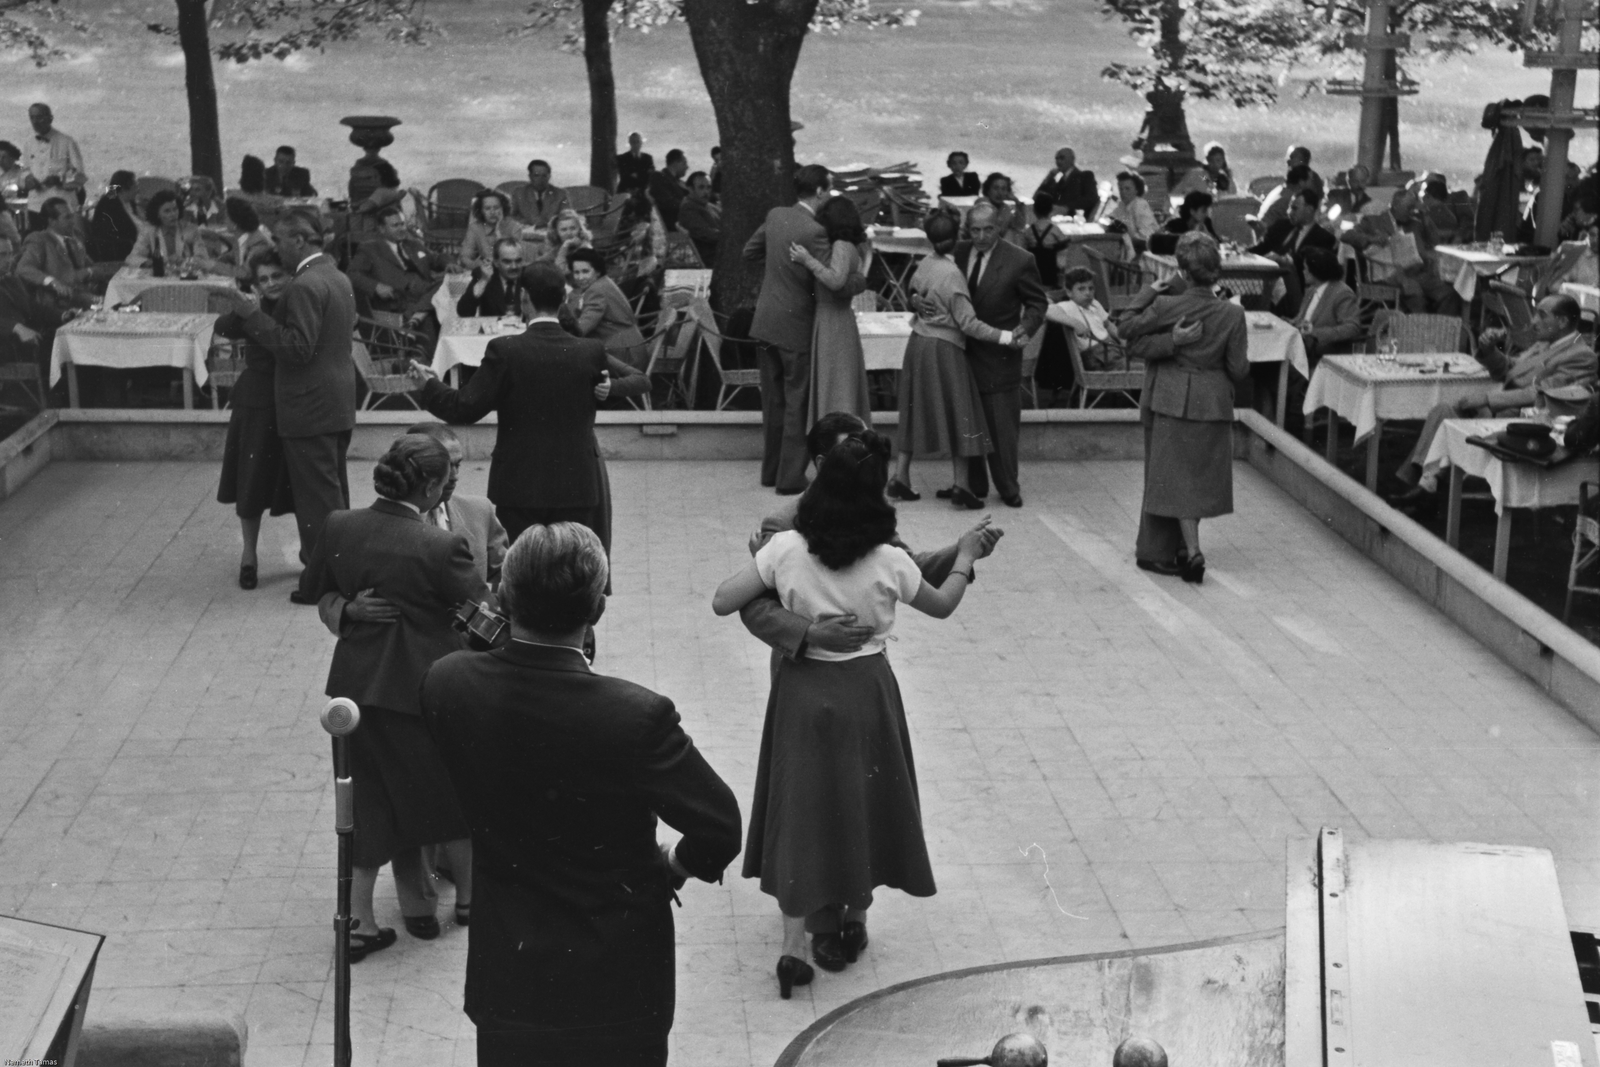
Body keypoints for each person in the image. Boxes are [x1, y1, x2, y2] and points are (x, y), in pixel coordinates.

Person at [422, 521, 740, 1065]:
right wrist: (674, 865)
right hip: (617, 984)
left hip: (511, 976)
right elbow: (721, 826)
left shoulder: (447, 682)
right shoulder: (637, 715)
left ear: (502, 595)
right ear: (596, 611)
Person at [712, 430, 993, 996]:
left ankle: (794, 947)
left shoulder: (785, 548)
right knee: (861, 801)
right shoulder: (888, 557)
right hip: (866, 690)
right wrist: (964, 557)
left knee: (803, 810)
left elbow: (724, 599)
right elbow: (940, 605)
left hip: (801, 689)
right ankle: (854, 916)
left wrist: (805, 623)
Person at [307, 434, 486, 961]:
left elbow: (317, 587)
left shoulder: (340, 525)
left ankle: (358, 923)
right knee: (451, 793)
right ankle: (472, 902)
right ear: (430, 486)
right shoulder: (439, 545)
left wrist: (351, 609)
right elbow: (485, 614)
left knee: (366, 803)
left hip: (356, 693)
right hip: (423, 692)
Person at [407, 262, 649, 553]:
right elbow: (630, 384)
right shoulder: (590, 351)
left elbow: (464, 408)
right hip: (576, 481)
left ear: (524, 297)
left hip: (519, 482)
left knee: (521, 573)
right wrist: (612, 389)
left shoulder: (505, 350)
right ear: (563, 300)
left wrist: (430, 386)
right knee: (573, 571)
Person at [739, 411, 1002, 663]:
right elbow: (756, 606)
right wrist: (809, 633)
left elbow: (907, 566)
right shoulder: (782, 524)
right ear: (822, 463)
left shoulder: (868, 511)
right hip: (802, 668)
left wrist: (962, 551)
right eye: (853, 451)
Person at [213, 209, 359, 604]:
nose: (275, 250)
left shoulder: (305, 285)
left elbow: (297, 350)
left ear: (298, 241)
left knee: (318, 502)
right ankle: (336, 569)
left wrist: (251, 315)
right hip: (337, 401)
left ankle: (323, 581)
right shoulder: (337, 276)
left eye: (279, 242)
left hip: (308, 406)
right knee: (332, 494)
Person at [1120, 232, 1249, 584]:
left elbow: (1125, 329)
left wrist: (1152, 297)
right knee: (1198, 478)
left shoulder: (1167, 306)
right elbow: (1239, 370)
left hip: (1171, 398)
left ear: (1184, 272)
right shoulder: (1233, 314)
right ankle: (1186, 548)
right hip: (1213, 401)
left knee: (1173, 478)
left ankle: (1189, 550)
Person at [1389, 295, 1596, 513]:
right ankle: (1425, 484)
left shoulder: (1580, 355)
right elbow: (1509, 371)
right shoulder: (1544, 343)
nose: (1533, 321)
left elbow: (1541, 393)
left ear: (1562, 322)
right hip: (1501, 411)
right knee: (1443, 409)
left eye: (1541, 315)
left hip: (1525, 422)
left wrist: (1487, 399)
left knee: (1451, 415)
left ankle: (1422, 487)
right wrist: (1489, 351)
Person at [891, 211, 1015, 506]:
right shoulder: (953, 274)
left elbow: (912, 291)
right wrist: (1005, 336)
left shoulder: (926, 263)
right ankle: (962, 485)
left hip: (918, 342)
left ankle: (900, 476)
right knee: (963, 411)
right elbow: (968, 324)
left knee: (912, 410)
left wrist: (916, 302)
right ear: (959, 235)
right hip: (944, 347)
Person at [744, 164, 833, 494]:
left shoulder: (775, 215)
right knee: (797, 402)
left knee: (774, 402)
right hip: (795, 326)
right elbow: (826, 279)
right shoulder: (815, 231)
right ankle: (790, 477)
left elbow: (749, 252)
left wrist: (776, 268)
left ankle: (771, 472)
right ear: (821, 191)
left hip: (765, 321)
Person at [955, 199, 1046, 507]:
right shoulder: (957, 252)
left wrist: (1026, 327)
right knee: (969, 422)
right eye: (975, 230)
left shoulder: (1020, 260)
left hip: (999, 356)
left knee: (1002, 429)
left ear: (999, 228)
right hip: (962, 353)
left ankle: (1009, 487)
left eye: (988, 230)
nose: (981, 237)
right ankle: (975, 485)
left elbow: (1038, 303)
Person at [213, 252, 295, 590]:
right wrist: (242, 306)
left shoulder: (299, 304)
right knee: (251, 480)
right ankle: (249, 555)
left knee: (296, 481)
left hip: (292, 401)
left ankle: (309, 552)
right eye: (263, 279)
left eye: (277, 275)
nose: (271, 283)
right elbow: (224, 326)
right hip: (258, 401)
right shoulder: (254, 308)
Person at [789, 195, 872, 426]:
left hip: (832, 321)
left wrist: (808, 261)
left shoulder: (841, 245)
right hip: (837, 319)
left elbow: (835, 281)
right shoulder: (851, 246)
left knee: (835, 384)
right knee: (838, 381)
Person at [1339, 188, 1462, 315]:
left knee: (1449, 293)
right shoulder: (1374, 221)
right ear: (1396, 205)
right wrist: (1372, 239)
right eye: (1408, 208)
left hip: (1416, 273)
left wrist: (1426, 218)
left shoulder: (1415, 223)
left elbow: (1435, 241)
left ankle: (1441, 330)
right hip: (1388, 275)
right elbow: (1346, 236)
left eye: (1413, 207)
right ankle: (1419, 329)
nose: (1412, 211)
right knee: (1414, 292)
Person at [347, 204, 450, 326]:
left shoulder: (413, 244)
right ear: (382, 229)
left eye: (402, 224)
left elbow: (436, 258)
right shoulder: (370, 249)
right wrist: (376, 286)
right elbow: (351, 274)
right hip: (400, 298)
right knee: (438, 304)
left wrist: (450, 263)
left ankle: (414, 315)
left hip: (423, 292)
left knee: (446, 285)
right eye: (395, 225)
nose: (401, 229)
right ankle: (419, 314)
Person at [1248, 187, 1335, 313]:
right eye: (1289, 207)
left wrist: (1285, 261)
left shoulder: (1323, 238)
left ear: (1309, 210)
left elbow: (1315, 269)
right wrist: (1242, 252)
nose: (1289, 212)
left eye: (1294, 208)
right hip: (1269, 279)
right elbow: (1262, 248)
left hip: (1297, 286)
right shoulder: (1281, 226)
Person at [562, 247, 648, 371]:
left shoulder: (596, 290)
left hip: (623, 356)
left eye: (585, 271)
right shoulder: (603, 283)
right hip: (628, 348)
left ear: (597, 271)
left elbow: (581, 329)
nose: (580, 277)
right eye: (576, 272)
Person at [16, 197, 98, 310]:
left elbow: (90, 265)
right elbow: (23, 268)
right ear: (52, 221)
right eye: (67, 217)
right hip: (60, 300)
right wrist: (53, 282)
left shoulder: (74, 237)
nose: (73, 221)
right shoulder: (39, 240)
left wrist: (91, 272)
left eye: (72, 216)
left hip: (85, 292)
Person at [1047, 266, 1128, 370]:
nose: (1087, 293)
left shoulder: (1094, 303)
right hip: (1096, 356)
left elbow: (1108, 324)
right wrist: (1075, 323)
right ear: (1069, 292)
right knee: (1143, 369)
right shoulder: (1069, 306)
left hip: (1112, 348)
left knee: (1146, 362)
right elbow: (1047, 310)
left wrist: (1121, 339)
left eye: (1091, 288)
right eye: (1081, 289)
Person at [126, 189, 225, 272]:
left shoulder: (191, 229)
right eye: (167, 211)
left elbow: (203, 258)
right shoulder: (149, 231)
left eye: (175, 209)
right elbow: (132, 258)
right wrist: (155, 262)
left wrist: (184, 261)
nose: (173, 214)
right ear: (157, 214)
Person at [1290, 248, 1361, 364]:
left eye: (1305, 269)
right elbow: (1301, 319)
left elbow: (1352, 328)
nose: (1303, 272)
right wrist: (1291, 322)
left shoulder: (1342, 293)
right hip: (1302, 345)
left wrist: (1315, 332)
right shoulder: (1311, 290)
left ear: (1316, 271)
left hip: (1322, 351)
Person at [21, 103, 86, 228]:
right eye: (32, 117)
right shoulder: (28, 144)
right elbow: (25, 170)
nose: (35, 121)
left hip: (62, 207)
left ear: (50, 118)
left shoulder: (67, 142)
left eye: (39, 117)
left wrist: (59, 180)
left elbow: (80, 175)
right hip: (36, 206)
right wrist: (28, 179)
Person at [458, 238, 526, 319]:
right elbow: (464, 312)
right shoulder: (484, 275)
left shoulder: (530, 276)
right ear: (496, 263)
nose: (514, 266)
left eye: (518, 261)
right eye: (507, 262)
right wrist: (483, 281)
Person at [459, 189, 521, 272]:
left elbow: (511, 256)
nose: (492, 212)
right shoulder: (475, 228)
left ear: (503, 209)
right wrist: (474, 265)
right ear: (481, 211)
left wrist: (498, 231)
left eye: (496, 208)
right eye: (487, 208)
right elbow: (465, 256)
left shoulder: (514, 227)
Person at [87, 169, 141, 264]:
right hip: (117, 249)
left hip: (134, 243)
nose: (138, 190)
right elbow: (120, 232)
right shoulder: (109, 204)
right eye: (135, 187)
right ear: (124, 189)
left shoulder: (128, 201)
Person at [1035, 147, 1098, 218]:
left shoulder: (1084, 176)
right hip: (1054, 217)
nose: (1058, 161)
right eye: (1057, 158)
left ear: (1072, 160)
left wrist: (1067, 207)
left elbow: (1091, 199)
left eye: (1062, 158)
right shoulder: (1058, 180)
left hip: (1074, 218)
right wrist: (1050, 177)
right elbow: (1038, 196)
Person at [221, 197, 274, 282]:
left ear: (235, 222)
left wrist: (214, 266)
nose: (224, 220)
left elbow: (246, 274)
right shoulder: (243, 238)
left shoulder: (258, 242)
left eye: (226, 217)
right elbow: (231, 256)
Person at [1107, 171, 1160, 252]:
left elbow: (1146, 235)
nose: (1123, 192)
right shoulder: (1122, 205)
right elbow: (1110, 220)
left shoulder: (1140, 205)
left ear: (1137, 190)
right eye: (1121, 189)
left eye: (1127, 188)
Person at [677, 171, 722, 267]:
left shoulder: (707, 205)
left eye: (708, 187)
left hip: (723, 251)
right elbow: (706, 234)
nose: (706, 192)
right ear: (690, 189)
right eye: (701, 187)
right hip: (715, 256)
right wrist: (732, 235)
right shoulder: (689, 208)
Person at [510, 159, 569, 232]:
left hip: (552, 235)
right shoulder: (519, 193)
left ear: (549, 176)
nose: (541, 180)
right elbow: (511, 216)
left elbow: (567, 216)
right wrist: (527, 223)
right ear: (530, 176)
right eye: (536, 175)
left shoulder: (561, 194)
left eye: (544, 176)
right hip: (526, 235)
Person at [1022, 192, 1066, 289]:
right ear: (1051, 209)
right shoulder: (1054, 228)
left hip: (1034, 262)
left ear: (1034, 210)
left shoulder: (1030, 229)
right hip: (1049, 262)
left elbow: (1025, 242)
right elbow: (1063, 241)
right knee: (1049, 285)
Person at [974, 172, 1027, 244]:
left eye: (1003, 189)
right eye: (996, 188)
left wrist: (1017, 202)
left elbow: (1019, 226)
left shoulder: (1005, 208)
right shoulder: (981, 203)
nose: (1000, 192)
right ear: (988, 190)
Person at [1257, 165, 1312, 233]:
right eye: (1310, 180)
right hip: (1269, 235)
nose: (1312, 184)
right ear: (1301, 182)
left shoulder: (1280, 190)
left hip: (1261, 229)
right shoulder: (1291, 198)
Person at [649, 149, 690, 233]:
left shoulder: (679, 182)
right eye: (684, 163)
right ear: (675, 163)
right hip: (676, 225)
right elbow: (668, 203)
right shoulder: (659, 177)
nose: (687, 167)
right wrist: (690, 205)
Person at [542, 208, 592, 275]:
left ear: (580, 229)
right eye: (564, 230)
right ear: (557, 232)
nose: (569, 233)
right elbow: (542, 261)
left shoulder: (585, 248)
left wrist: (565, 247)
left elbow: (560, 272)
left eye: (573, 228)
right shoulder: (559, 246)